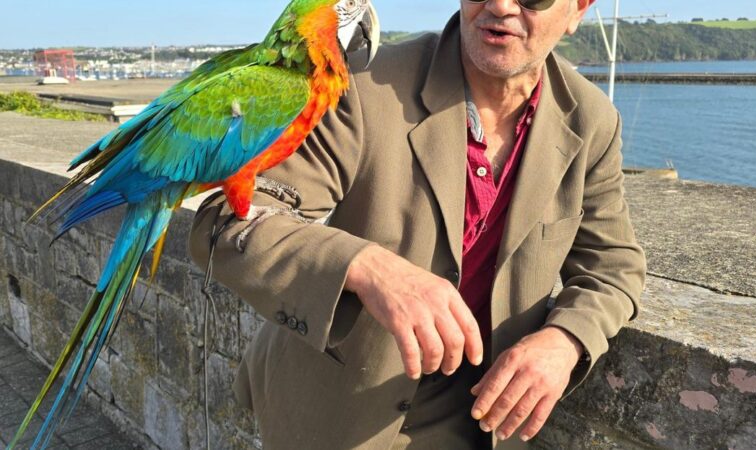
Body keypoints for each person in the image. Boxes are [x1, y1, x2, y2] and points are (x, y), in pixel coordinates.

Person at [188, 0, 646, 448]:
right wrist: (367, 267)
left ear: (578, 10)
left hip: (477, 423)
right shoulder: (363, 85)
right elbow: (228, 226)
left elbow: (612, 266)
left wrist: (565, 341)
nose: (502, 7)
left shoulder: (592, 122)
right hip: (333, 418)